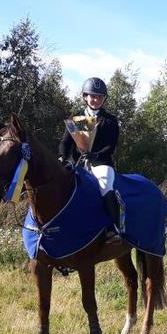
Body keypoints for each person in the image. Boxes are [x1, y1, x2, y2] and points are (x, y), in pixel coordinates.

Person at [59, 77, 124, 234]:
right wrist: (61, 157)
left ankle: (115, 227)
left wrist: (95, 155)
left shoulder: (110, 120)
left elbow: (110, 146)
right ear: (85, 97)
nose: (96, 100)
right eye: (93, 96)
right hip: (77, 163)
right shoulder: (77, 118)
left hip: (101, 163)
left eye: (100, 97)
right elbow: (65, 142)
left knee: (105, 186)